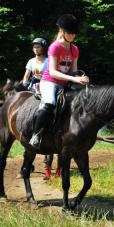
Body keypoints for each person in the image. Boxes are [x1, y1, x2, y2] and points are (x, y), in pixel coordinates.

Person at [29, 14, 89, 149]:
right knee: (50, 102)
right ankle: (36, 135)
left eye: (74, 34)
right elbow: (52, 72)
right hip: (49, 81)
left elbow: (74, 70)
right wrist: (74, 78)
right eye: (70, 33)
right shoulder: (54, 47)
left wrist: (81, 78)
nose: (73, 36)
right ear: (62, 31)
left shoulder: (75, 49)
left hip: (65, 83)